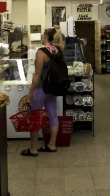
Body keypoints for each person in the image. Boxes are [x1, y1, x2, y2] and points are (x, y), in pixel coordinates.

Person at [20, 28, 65, 156]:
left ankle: (33, 149)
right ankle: (52, 145)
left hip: (41, 89)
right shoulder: (57, 50)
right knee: (53, 116)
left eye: (42, 35)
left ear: (45, 37)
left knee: (34, 117)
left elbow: (37, 74)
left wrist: (30, 94)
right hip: (53, 89)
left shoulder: (41, 52)